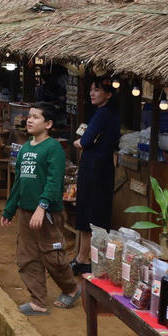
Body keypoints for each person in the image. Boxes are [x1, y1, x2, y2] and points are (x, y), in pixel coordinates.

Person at [1, 103, 80, 315]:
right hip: (26, 212)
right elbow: (19, 182)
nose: (29, 120)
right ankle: (38, 301)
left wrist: (42, 206)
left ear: (48, 124)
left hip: (48, 213)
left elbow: (54, 182)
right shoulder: (26, 148)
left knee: (52, 255)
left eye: (36, 117)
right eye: (29, 116)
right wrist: (9, 209)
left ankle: (71, 289)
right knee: (27, 257)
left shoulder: (54, 149)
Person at [71, 79, 121, 274]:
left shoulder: (103, 114)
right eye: (91, 89)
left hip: (95, 170)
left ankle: (85, 259)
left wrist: (79, 143)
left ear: (108, 94)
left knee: (90, 214)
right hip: (100, 168)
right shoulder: (107, 113)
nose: (92, 93)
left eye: (97, 90)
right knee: (92, 213)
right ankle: (83, 257)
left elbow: (84, 141)